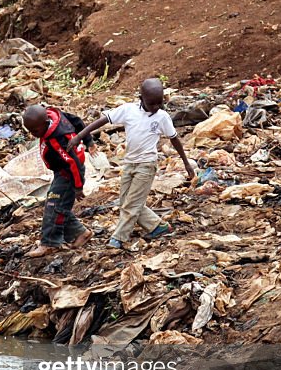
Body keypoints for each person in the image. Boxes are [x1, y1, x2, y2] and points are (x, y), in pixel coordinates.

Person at [68, 78, 194, 249]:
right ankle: (158, 226)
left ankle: (118, 238)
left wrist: (186, 163)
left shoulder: (162, 117)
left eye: (160, 102)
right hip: (129, 163)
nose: (156, 106)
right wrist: (79, 136)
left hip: (147, 165)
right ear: (141, 98)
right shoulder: (128, 110)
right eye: (152, 103)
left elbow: (174, 139)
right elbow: (102, 121)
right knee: (124, 201)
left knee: (131, 204)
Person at [22, 104, 94, 258]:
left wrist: (78, 186)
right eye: (29, 131)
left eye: (35, 131)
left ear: (45, 121)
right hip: (61, 172)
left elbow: (73, 164)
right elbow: (77, 120)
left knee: (54, 205)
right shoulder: (56, 115)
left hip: (68, 175)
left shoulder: (57, 139)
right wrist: (89, 140)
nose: (33, 134)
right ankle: (81, 232)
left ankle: (50, 243)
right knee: (58, 205)